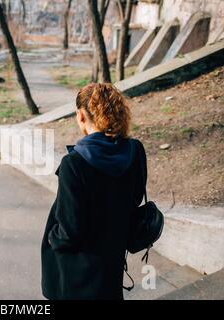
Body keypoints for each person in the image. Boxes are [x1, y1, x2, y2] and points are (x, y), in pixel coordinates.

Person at [41, 83, 147, 300]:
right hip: (113, 259)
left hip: (79, 272)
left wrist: (53, 238)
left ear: (81, 116)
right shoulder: (135, 150)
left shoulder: (74, 164)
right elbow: (134, 199)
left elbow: (70, 231)